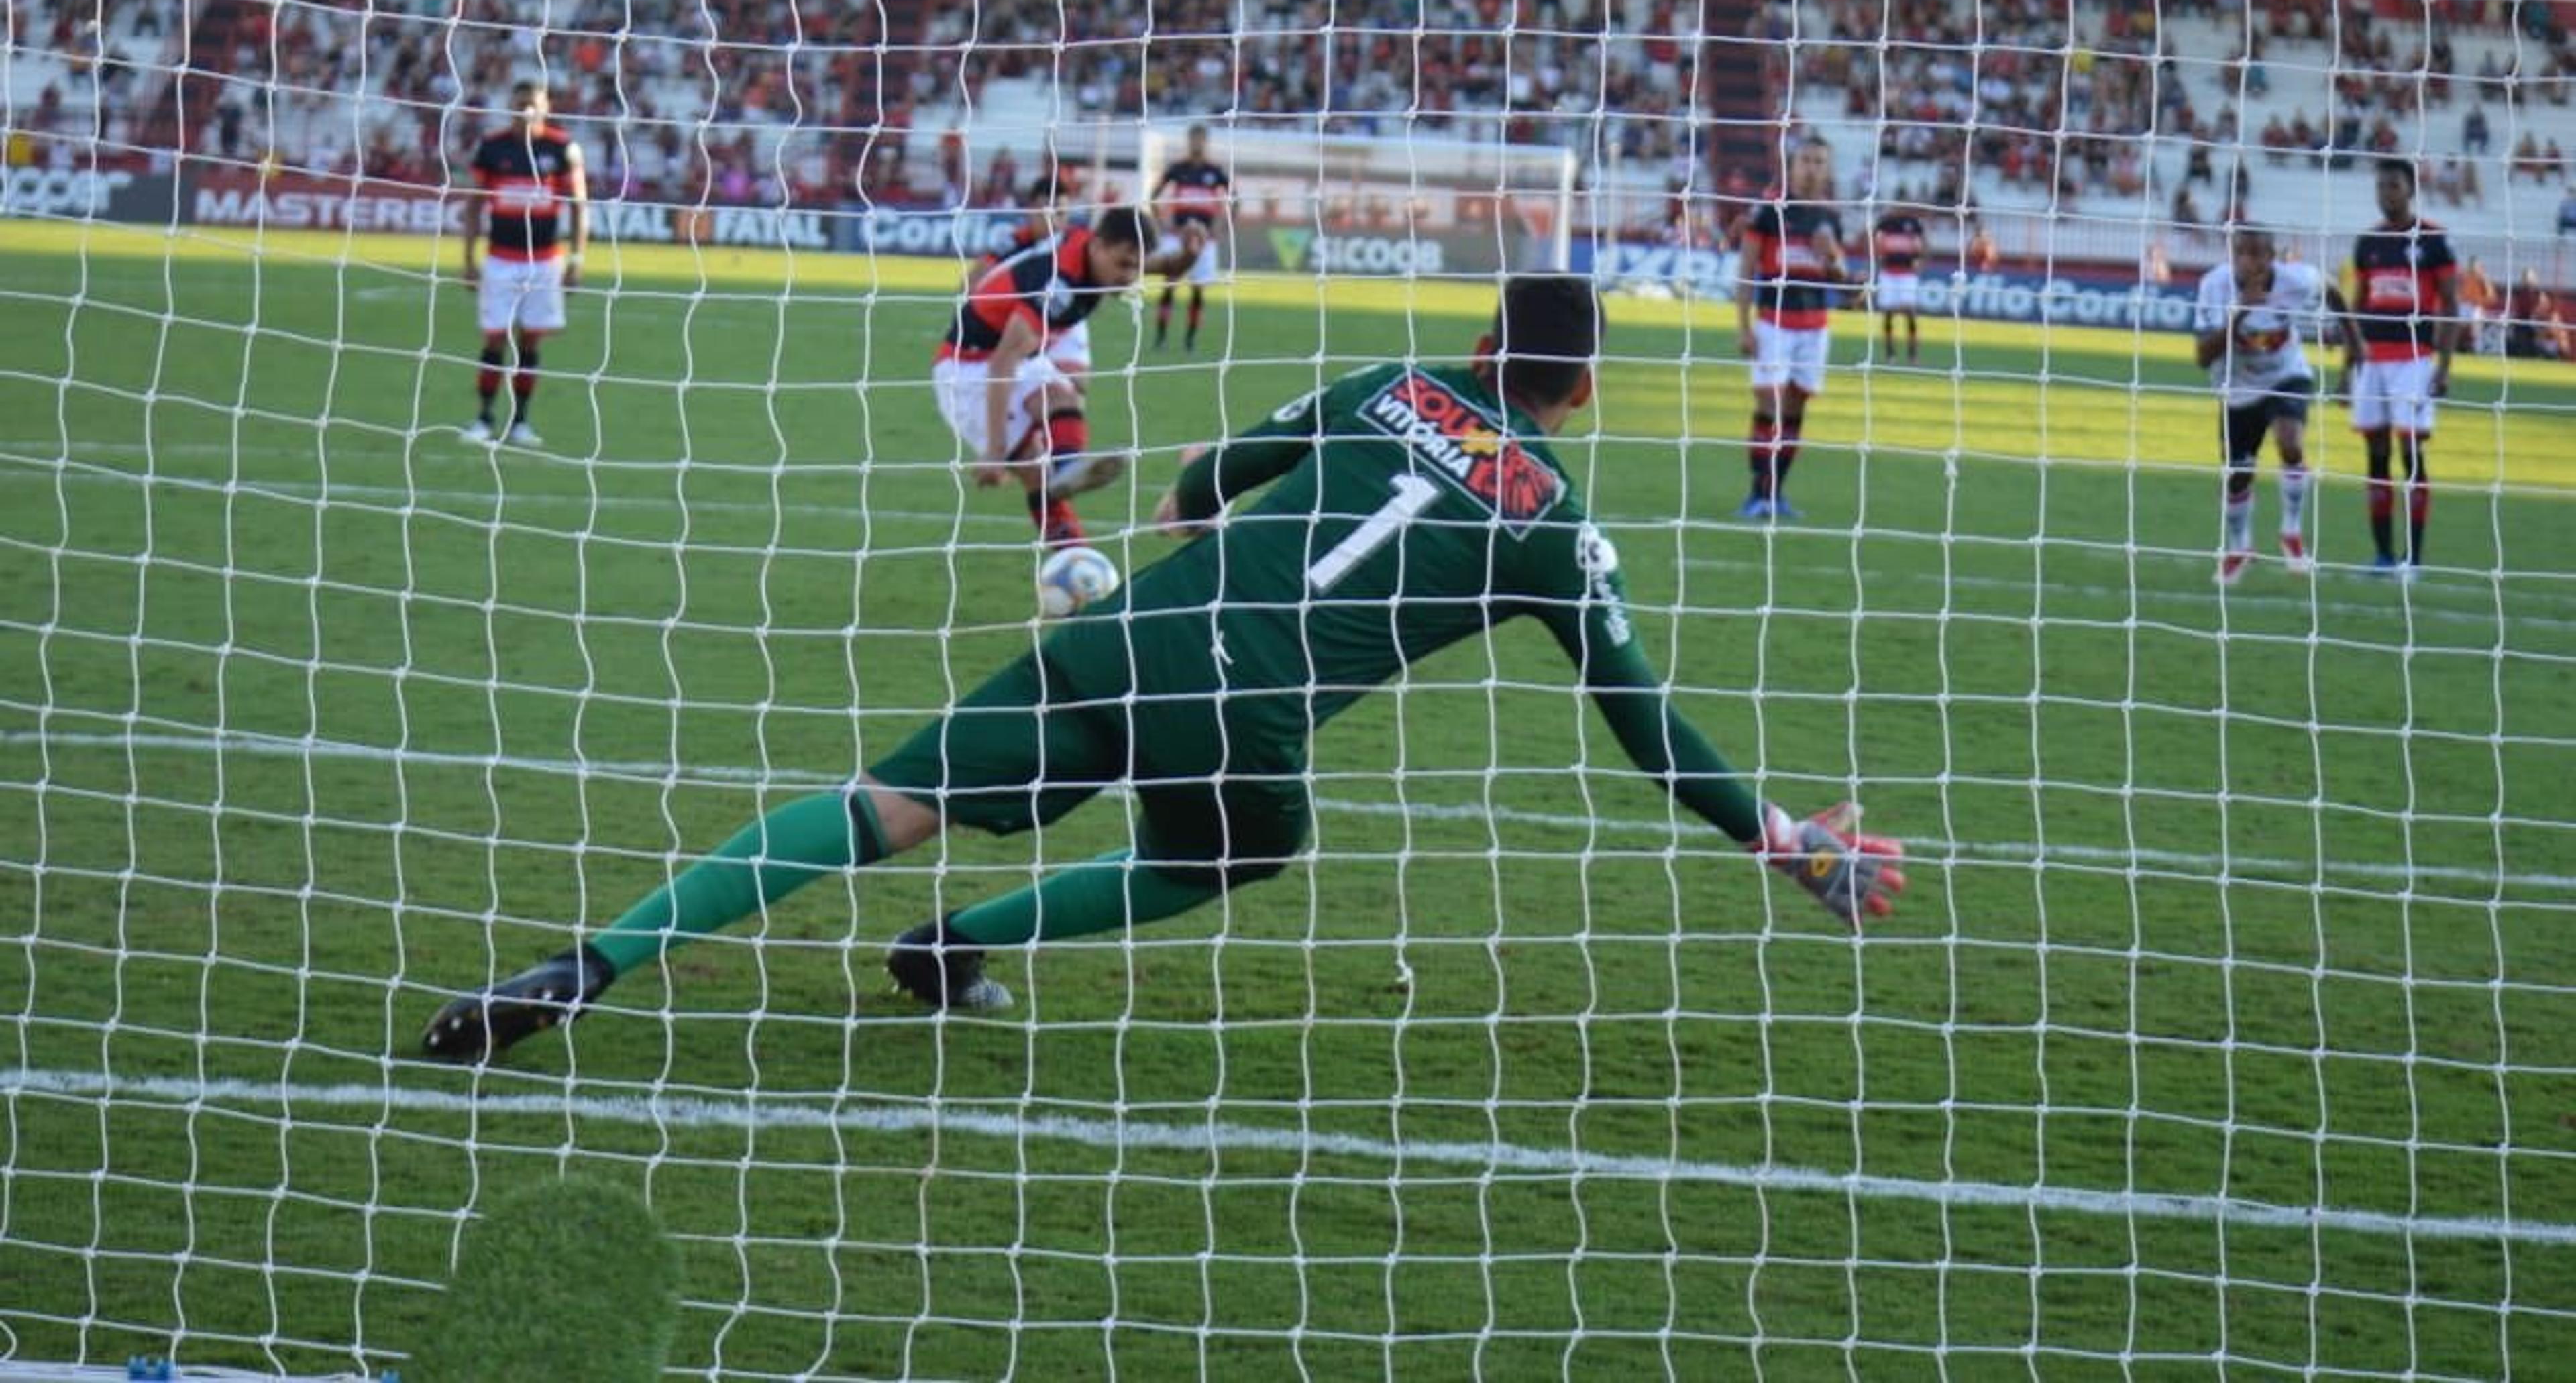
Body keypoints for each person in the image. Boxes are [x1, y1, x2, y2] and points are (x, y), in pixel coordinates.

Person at [420, 276, 1905, 1064]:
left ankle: (591, 959)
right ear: (1581, 392)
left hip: (1124, 631)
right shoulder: (1561, 529)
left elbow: (1205, 477)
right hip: (1249, 714)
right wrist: (1787, 839)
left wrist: (1184, 542)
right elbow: (1642, 724)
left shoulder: (1390, 382)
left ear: (1477, 342)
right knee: (1240, 851)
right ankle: (958, 947)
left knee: (881, 798)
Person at [936, 205, 1150, 545]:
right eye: (1124, 265)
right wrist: (995, 449)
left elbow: (1152, 262)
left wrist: (1184, 254)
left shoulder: (1092, 248)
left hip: (1017, 360)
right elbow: (1003, 360)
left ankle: (1067, 470)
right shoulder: (1059, 288)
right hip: (969, 370)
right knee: (1036, 471)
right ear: (1098, 247)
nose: (1129, 277)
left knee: (1063, 397)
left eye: (1137, 267)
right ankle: (1074, 558)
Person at [2192, 228, 2344, 585]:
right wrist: (2241, 313)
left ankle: (2291, 531)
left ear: (2272, 256)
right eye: (2243, 253)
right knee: (2238, 474)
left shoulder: (2296, 280)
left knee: (2291, 442)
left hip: (2287, 374)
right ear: (2233, 256)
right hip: (2237, 386)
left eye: (2260, 254)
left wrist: (2354, 343)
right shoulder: (2214, 286)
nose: (2252, 261)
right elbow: (2202, 356)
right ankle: (2239, 547)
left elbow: (2332, 288)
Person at [2343, 158, 2458, 579]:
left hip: (2413, 363)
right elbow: (2357, 307)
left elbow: (2450, 306)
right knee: (2375, 455)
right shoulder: (2368, 243)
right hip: (2371, 361)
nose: (2385, 193)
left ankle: (2414, 560)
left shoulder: (2434, 240)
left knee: (2411, 455)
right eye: (2381, 186)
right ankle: (2383, 556)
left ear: (2410, 189)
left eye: (2393, 186)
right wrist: (2346, 368)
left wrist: (2444, 366)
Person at [459, 81, 586, 447]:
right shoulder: (492, 147)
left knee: (530, 341)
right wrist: (468, 259)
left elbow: (579, 205)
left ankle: (520, 422)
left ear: (546, 107)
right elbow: (472, 205)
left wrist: (577, 260)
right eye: (520, 104)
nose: (526, 111)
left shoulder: (562, 148)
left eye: (533, 105)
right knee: (496, 338)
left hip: (545, 262)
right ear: (509, 107)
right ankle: (484, 418)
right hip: (500, 260)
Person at [1735, 137, 1847, 520]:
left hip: (1815, 329)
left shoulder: (1831, 219)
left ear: (1827, 169)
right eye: (1806, 160)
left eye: (1819, 161)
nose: (1812, 168)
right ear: (1793, 164)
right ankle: (1757, 494)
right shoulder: (1768, 213)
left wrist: (1831, 257)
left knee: (1796, 410)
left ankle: (1777, 494)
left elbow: (1844, 287)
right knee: (1770, 406)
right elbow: (1746, 270)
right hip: (1773, 326)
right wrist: (1743, 326)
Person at [1150, 124, 1232, 351]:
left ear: (1206, 142)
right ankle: (1161, 336)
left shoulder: (1215, 171)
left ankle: (1190, 339)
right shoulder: (1178, 168)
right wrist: (1163, 223)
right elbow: (1154, 197)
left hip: (1204, 240)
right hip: (1178, 236)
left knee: (1198, 289)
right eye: (1194, 139)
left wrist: (1222, 225)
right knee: (1169, 285)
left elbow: (1234, 197)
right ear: (1189, 141)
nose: (1197, 144)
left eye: (1201, 140)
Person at [1870, 209, 1927, 363]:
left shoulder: (1913, 223)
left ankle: (1913, 354)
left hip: (1907, 274)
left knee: (1910, 313)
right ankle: (1890, 354)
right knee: (1888, 314)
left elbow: (1923, 245)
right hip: (1888, 273)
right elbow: (1875, 242)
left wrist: (1921, 261)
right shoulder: (1885, 223)